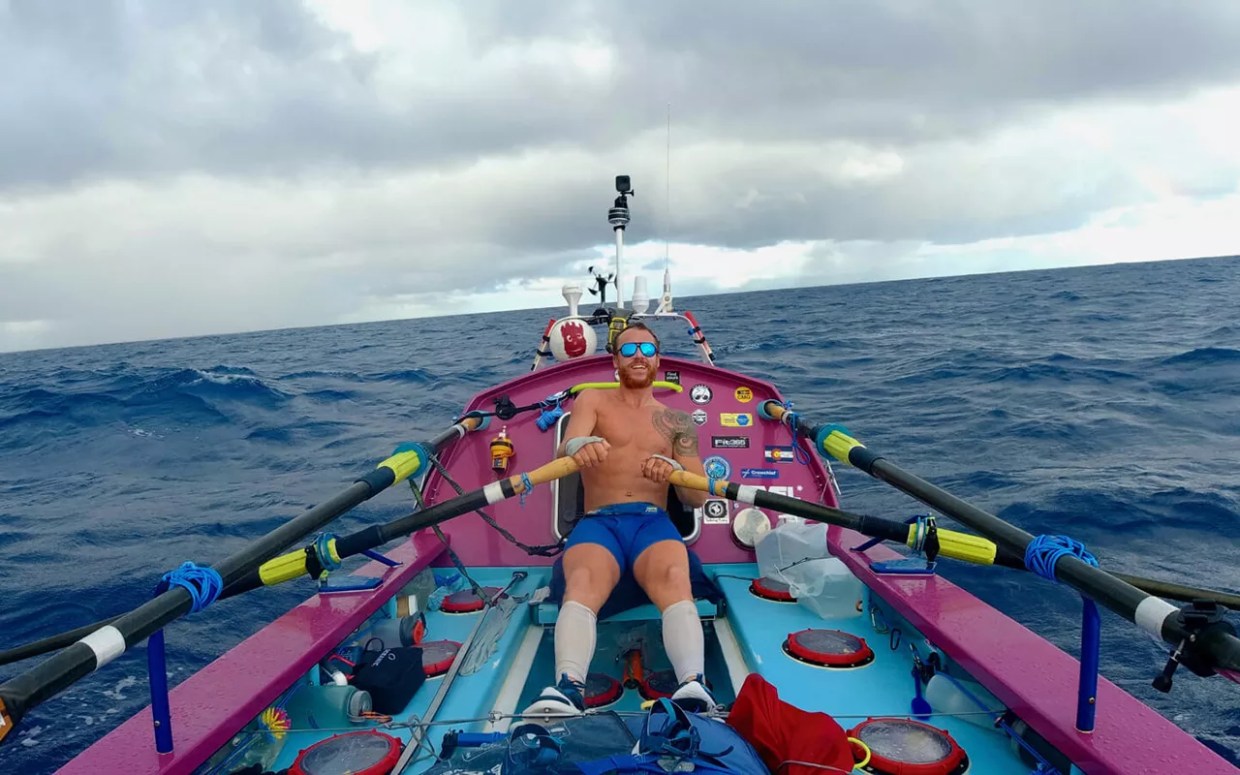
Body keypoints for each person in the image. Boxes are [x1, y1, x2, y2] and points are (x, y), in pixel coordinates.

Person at [524, 323, 715, 717]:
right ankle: (568, 689)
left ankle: (694, 685)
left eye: (647, 348)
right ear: (615, 361)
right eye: (629, 350)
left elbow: (697, 495)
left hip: (653, 523)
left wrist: (674, 470)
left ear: (658, 359)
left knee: (675, 580)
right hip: (599, 522)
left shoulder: (678, 421)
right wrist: (577, 445)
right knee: (582, 581)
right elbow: (565, 449)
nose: (639, 355)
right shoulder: (592, 400)